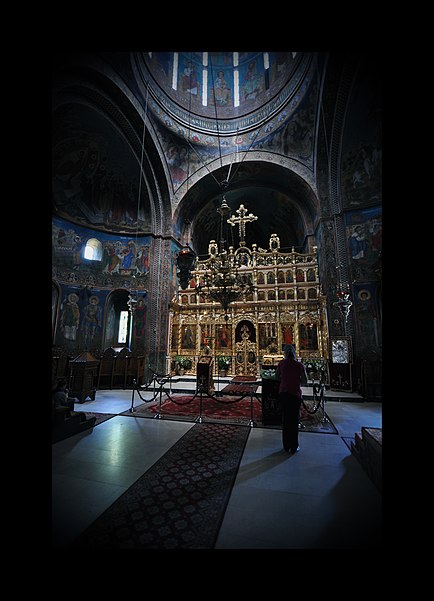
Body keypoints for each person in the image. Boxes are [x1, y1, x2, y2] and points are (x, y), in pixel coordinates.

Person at [276, 344, 308, 454]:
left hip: (284, 393)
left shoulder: (282, 364)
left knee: (285, 419)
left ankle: (286, 446)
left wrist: (285, 378)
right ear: (294, 353)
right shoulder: (299, 365)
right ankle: (294, 446)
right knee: (294, 420)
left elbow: (276, 377)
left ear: (285, 353)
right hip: (295, 394)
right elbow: (305, 381)